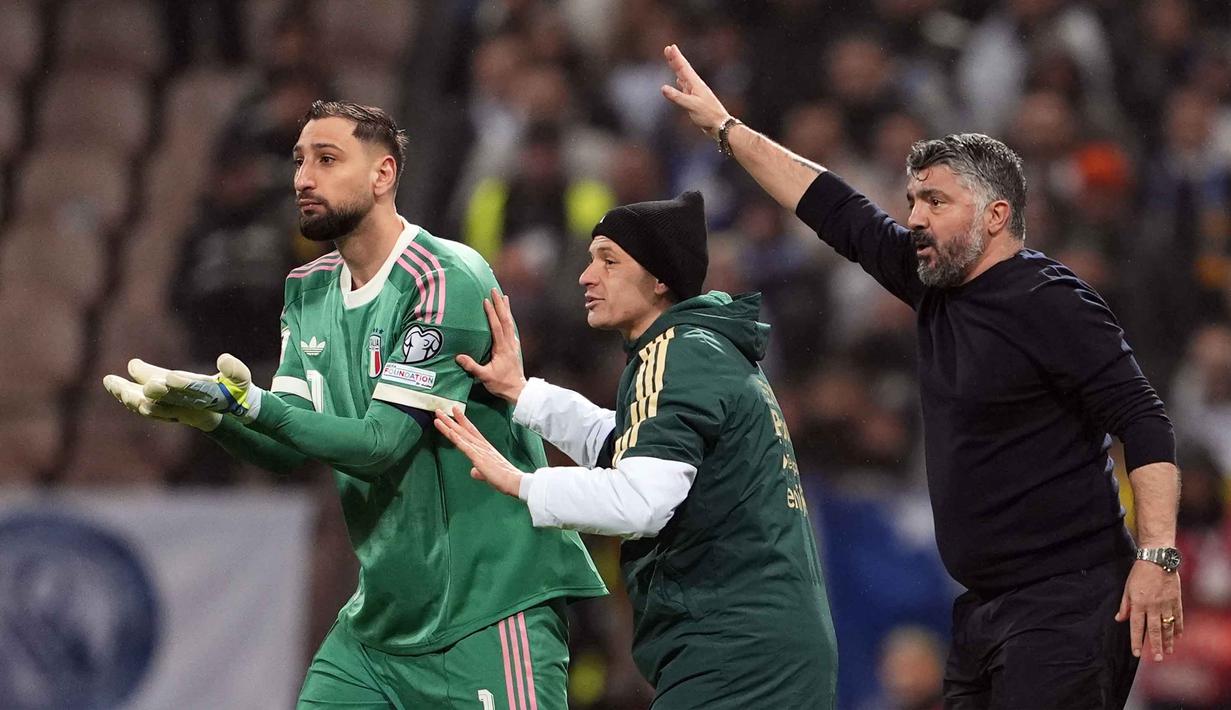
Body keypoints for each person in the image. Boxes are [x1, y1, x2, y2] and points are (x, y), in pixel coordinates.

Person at [659, 43, 1182, 708]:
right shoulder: (933, 284)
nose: (913, 218)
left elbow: (1144, 420)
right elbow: (832, 206)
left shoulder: (1051, 301)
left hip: (1066, 603)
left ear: (995, 215)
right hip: (984, 608)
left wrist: (1157, 556)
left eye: (935, 201)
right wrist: (727, 129)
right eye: (912, 200)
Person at [102, 100, 606, 709]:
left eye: (326, 159)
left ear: (383, 173)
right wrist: (212, 418)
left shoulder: (444, 277)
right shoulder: (307, 287)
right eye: (298, 161)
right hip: (382, 627)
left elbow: (381, 445)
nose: (302, 178)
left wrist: (253, 405)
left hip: (487, 609)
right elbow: (289, 449)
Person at [432, 191, 839, 709]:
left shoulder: (680, 353)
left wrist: (521, 482)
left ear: (660, 278)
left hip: (736, 651)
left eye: (609, 261)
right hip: (761, 644)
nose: (586, 276)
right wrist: (521, 391)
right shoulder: (703, 348)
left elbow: (642, 501)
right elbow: (627, 444)